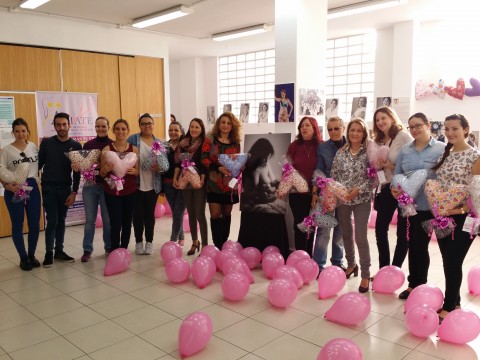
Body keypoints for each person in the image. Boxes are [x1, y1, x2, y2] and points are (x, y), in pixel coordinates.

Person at [431, 114, 480, 322]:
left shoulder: (475, 156)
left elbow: (476, 191)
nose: (450, 133)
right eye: (447, 129)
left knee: (453, 259)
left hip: (466, 217)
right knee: (447, 260)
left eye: (455, 129)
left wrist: (459, 211)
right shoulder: (445, 153)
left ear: (466, 130)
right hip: (443, 215)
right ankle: (456, 300)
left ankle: (449, 306)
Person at [393, 113, 445, 300]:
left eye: (418, 125)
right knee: (410, 245)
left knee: (420, 246)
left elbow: (444, 177)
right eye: (411, 127)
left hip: (428, 207)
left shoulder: (441, 149)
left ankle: (419, 285)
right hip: (407, 206)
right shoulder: (405, 150)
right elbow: (397, 175)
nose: (414, 130)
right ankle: (412, 284)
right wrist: (394, 189)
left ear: (428, 125)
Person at [331, 118, 373, 292]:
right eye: (352, 130)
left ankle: (365, 274)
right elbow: (333, 174)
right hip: (343, 199)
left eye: (359, 131)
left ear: (364, 133)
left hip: (361, 199)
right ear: (347, 132)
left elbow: (374, 178)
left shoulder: (370, 152)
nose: (355, 133)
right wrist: (340, 191)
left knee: (360, 237)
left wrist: (357, 190)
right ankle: (351, 264)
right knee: (346, 233)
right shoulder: (341, 152)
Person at [38, 112, 82, 267]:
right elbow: (38, 165)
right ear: (54, 126)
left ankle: (59, 251)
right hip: (49, 188)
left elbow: (77, 172)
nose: (61, 127)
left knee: (61, 221)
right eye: (58, 125)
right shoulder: (47, 143)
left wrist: (74, 192)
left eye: (64, 124)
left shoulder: (76, 146)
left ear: (69, 125)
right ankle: (49, 253)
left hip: (65, 189)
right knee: (52, 221)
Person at [373, 106, 412, 269]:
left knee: (403, 233)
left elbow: (412, 163)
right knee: (380, 230)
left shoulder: (403, 136)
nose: (381, 122)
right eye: (377, 120)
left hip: (402, 187)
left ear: (392, 117)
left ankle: (395, 268)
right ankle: (384, 268)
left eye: (384, 118)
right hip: (386, 188)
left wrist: (390, 165)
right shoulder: (378, 141)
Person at [0, 118, 41, 270]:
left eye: (23, 131)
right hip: (15, 189)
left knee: (34, 224)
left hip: (32, 188)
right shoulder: (6, 150)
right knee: (17, 225)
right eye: (17, 131)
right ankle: (23, 258)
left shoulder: (33, 147)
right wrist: (6, 185)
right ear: (13, 132)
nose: (20, 134)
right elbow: (0, 170)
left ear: (27, 132)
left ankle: (31, 255)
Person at [201, 112, 241, 249]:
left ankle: (224, 244)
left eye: (229, 123)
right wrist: (218, 169)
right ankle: (217, 245)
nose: (225, 125)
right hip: (213, 183)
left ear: (232, 126)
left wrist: (240, 166)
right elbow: (204, 158)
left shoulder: (235, 143)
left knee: (227, 214)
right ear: (218, 124)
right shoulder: (210, 139)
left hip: (230, 185)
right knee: (215, 214)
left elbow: (237, 161)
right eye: (223, 122)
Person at [311, 116, 346, 272]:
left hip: (346, 195)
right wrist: (315, 192)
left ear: (343, 128)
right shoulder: (323, 147)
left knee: (341, 230)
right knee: (324, 230)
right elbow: (319, 170)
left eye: (336, 128)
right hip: (327, 194)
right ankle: (318, 265)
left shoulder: (352, 144)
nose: (333, 132)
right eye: (329, 129)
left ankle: (338, 263)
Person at [127, 113, 163, 255]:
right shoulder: (133, 139)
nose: (147, 126)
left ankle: (149, 242)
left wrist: (159, 168)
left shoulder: (159, 142)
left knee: (149, 215)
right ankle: (138, 242)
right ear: (139, 126)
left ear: (153, 125)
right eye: (143, 124)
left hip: (153, 184)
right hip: (136, 184)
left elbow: (164, 163)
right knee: (138, 215)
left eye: (149, 123)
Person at [286, 116, 322, 256]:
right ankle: (300, 256)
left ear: (314, 128)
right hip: (297, 193)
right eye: (302, 126)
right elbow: (287, 168)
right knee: (300, 225)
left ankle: (309, 255)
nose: (304, 128)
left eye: (307, 125)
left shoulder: (321, 146)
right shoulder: (294, 145)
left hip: (315, 192)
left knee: (312, 225)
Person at [100, 119, 139, 251]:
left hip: (130, 191)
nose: (120, 131)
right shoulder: (107, 150)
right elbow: (102, 173)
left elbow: (137, 171)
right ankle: (114, 249)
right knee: (115, 223)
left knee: (127, 222)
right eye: (117, 129)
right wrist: (105, 170)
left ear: (128, 131)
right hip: (112, 192)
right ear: (113, 130)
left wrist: (136, 171)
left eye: (123, 129)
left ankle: (124, 249)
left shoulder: (134, 149)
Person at [80, 116, 113, 262]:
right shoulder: (87, 145)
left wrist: (105, 167)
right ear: (94, 127)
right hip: (90, 186)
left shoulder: (113, 145)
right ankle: (87, 249)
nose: (100, 129)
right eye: (98, 126)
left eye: (103, 126)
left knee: (107, 220)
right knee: (90, 220)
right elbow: (83, 165)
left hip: (107, 186)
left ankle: (109, 247)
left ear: (108, 127)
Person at [174, 118, 208, 254]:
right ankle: (195, 242)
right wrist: (175, 178)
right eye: (192, 126)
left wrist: (203, 177)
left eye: (197, 127)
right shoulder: (182, 144)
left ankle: (205, 245)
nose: (194, 129)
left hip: (199, 181)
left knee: (200, 213)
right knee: (191, 212)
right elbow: (178, 163)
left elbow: (205, 163)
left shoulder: (204, 144)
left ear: (201, 130)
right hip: (185, 181)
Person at [164, 121, 186, 247]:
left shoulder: (185, 146)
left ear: (181, 131)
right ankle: (181, 236)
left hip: (182, 184)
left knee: (178, 211)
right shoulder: (164, 146)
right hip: (167, 184)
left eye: (176, 130)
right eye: (170, 130)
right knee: (176, 211)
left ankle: (172, 240)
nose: (173, 132)